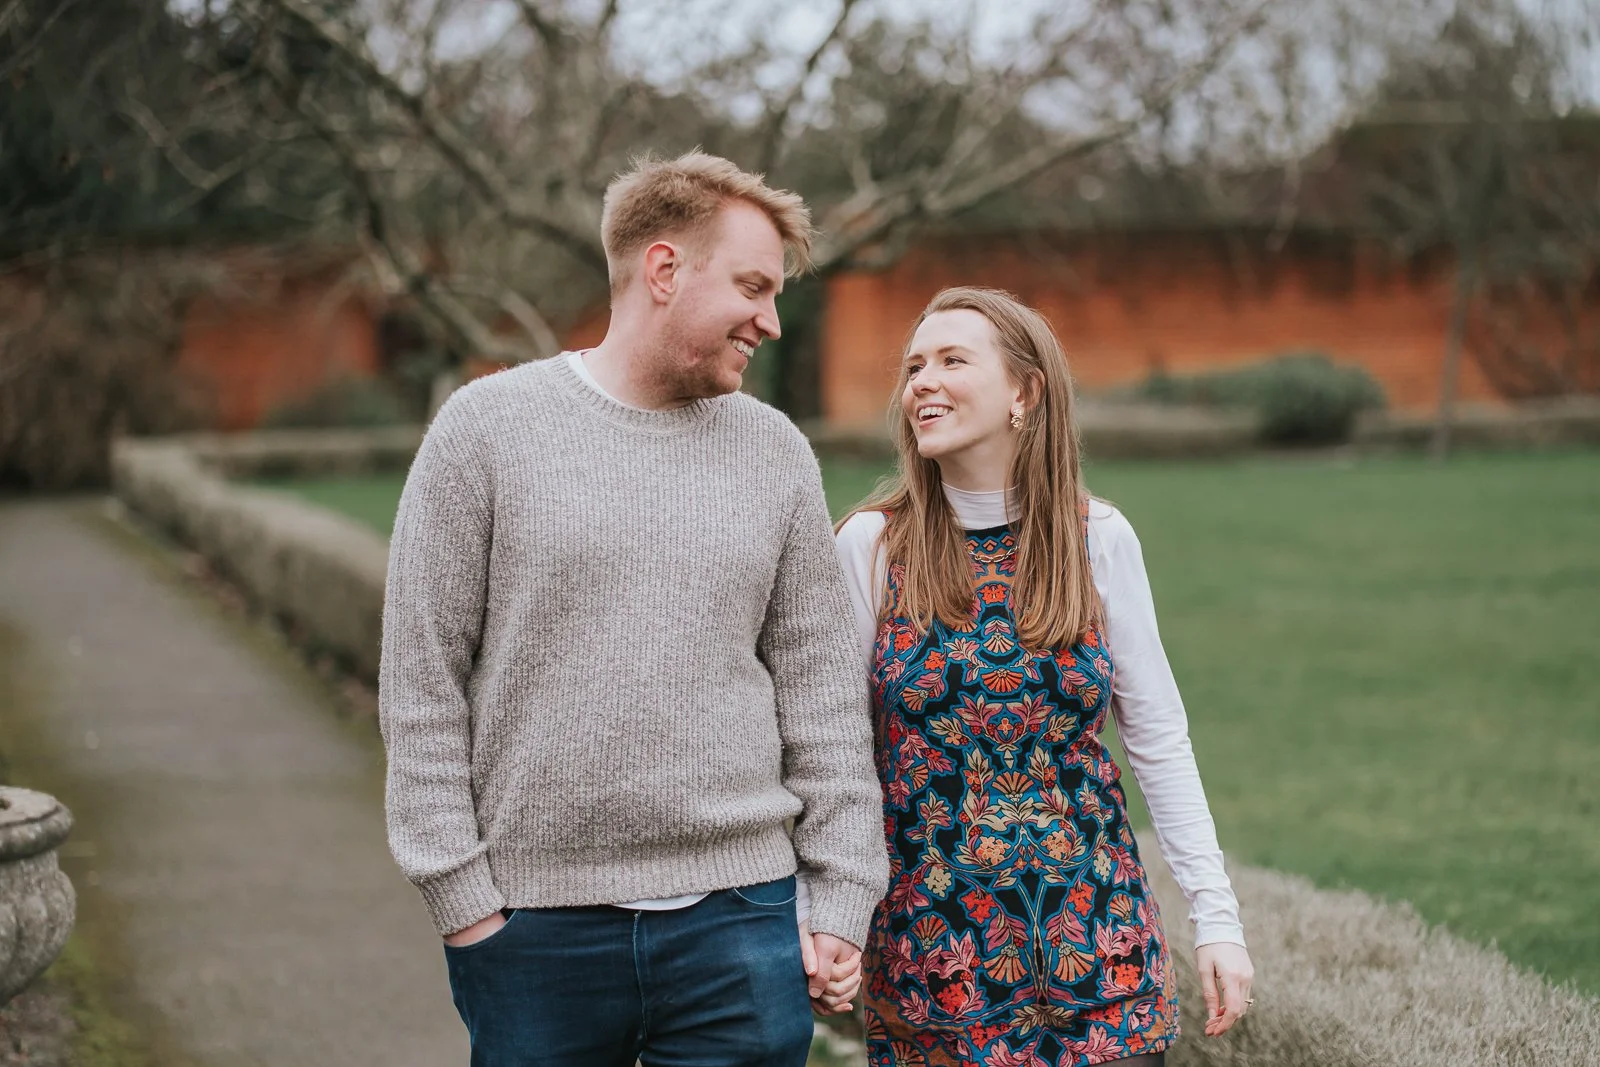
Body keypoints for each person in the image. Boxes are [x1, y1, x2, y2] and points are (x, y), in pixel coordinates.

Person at [377, 151, 889, 1067]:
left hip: (743, 924)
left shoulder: (775, 452)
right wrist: (465, 906)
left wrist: (842, 894)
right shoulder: (484, 431)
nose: (772, 320)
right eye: (752, 286)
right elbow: (421, 685)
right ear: (664, 270)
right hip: (534, 935)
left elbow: (823, 699)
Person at [828, 287, 1254, 1065]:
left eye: (953, 360)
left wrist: (1216, 919)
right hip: (939, 970)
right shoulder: (871, 547)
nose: (921, 380)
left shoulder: (1098, 538)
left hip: (1103, 954)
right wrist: (828, 914)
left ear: (1025, 392)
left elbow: (1158, 737)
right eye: (914, 364)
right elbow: (835, 757)